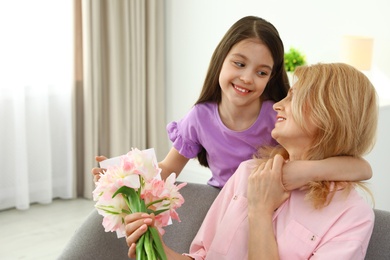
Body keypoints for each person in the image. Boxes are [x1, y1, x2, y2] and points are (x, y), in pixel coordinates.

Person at [125, 62, 378, 259]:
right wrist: (160, 251)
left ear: (331, 112)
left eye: (294, 96)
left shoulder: (352, 216)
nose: (278, 105)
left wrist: (260, 211)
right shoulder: (247, 172)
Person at [92, 15, 372, 191]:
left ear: (271, 77)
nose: (247, 78)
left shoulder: (279, 116)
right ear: (221, 61)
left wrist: (301, 171)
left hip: (271, 202)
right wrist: (121, 174)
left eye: (262, 72)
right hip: (220, 201)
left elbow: (361, 168)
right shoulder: (199, 118)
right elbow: (167, 169)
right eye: (239, 64)